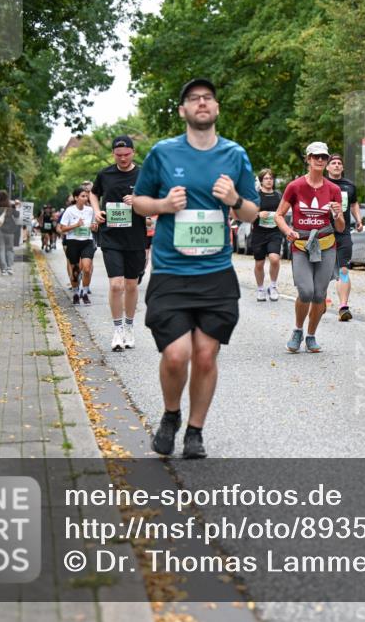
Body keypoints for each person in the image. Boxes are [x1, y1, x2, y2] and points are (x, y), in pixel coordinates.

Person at [132, 77, 259, 459]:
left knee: (205, 356)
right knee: (176, 354)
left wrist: (235, 198)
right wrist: (162, 206)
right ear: (183, 111)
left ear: (216, 108)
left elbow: (253, 212)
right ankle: (171, 415)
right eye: (193, 99)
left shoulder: (234, 154)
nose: (201, 103)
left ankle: (195, 431)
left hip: (215, 273)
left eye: (208, 98)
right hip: (171, 271)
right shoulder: (162, 153)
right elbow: (138, 201)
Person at [275, 141, 345, 353]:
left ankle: (311, 335)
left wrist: (338, 214)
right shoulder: (295, 186)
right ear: (308, 159)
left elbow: (340, 228)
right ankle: (298, 330)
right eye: (316, 157)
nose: (320, 160)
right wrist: (288, 231)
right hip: (302, 244)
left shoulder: (333, 189)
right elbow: (279, 215)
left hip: (326, 244)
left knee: (319, 295)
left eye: (323, 157)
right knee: (306, 291)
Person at [91, 135, 147, 351]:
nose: (122, 159)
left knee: (132, 285)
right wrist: (97, 212)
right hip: (111, 236)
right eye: (118, 155)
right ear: (113, 154)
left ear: (133, 152)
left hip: (135, 236)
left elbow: (154, 202)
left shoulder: (143, 174)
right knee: (116, 284)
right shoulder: (105, 174)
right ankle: (116, 330)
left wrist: (138, 201)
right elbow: (94, 194)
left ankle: (129, 327)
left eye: (126, 154)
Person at [326, 154, 363, 320]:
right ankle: (320, 299)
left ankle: (343, 306)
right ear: (327, 167)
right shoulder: (321, 184)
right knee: (323, 271)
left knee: (343, 269)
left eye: (339, 163)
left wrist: (359, 220)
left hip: (343, 232)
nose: (336, 165)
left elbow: (354, 203)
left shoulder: (349, 185)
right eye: (333, 163)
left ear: (342, 167)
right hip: (323, 232)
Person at [58, 186, 96, 305]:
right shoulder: (69, 211)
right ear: (76, 197)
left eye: (86, 196)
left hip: (87, 242)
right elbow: (62, 228)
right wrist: (76, 225)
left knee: (87, 268)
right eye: (83, 196)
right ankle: (75, 293)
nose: (85, 198)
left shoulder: (90, 210)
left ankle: (84, 293)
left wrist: (94, 227)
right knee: (75, 270)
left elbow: (95, 225)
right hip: (73, 242)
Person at [251, 168, 284, 302]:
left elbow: (283, 211)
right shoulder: (255, 196)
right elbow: (248, 214)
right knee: (259, 263)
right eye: (266, 178)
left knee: (275, 259)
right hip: (259, 233)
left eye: (271, 178)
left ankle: (273, 286)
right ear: (261, 181)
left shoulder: (278, 195)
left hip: (274, 232)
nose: (269, 180)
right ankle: (260, 289)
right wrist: (258, 214)